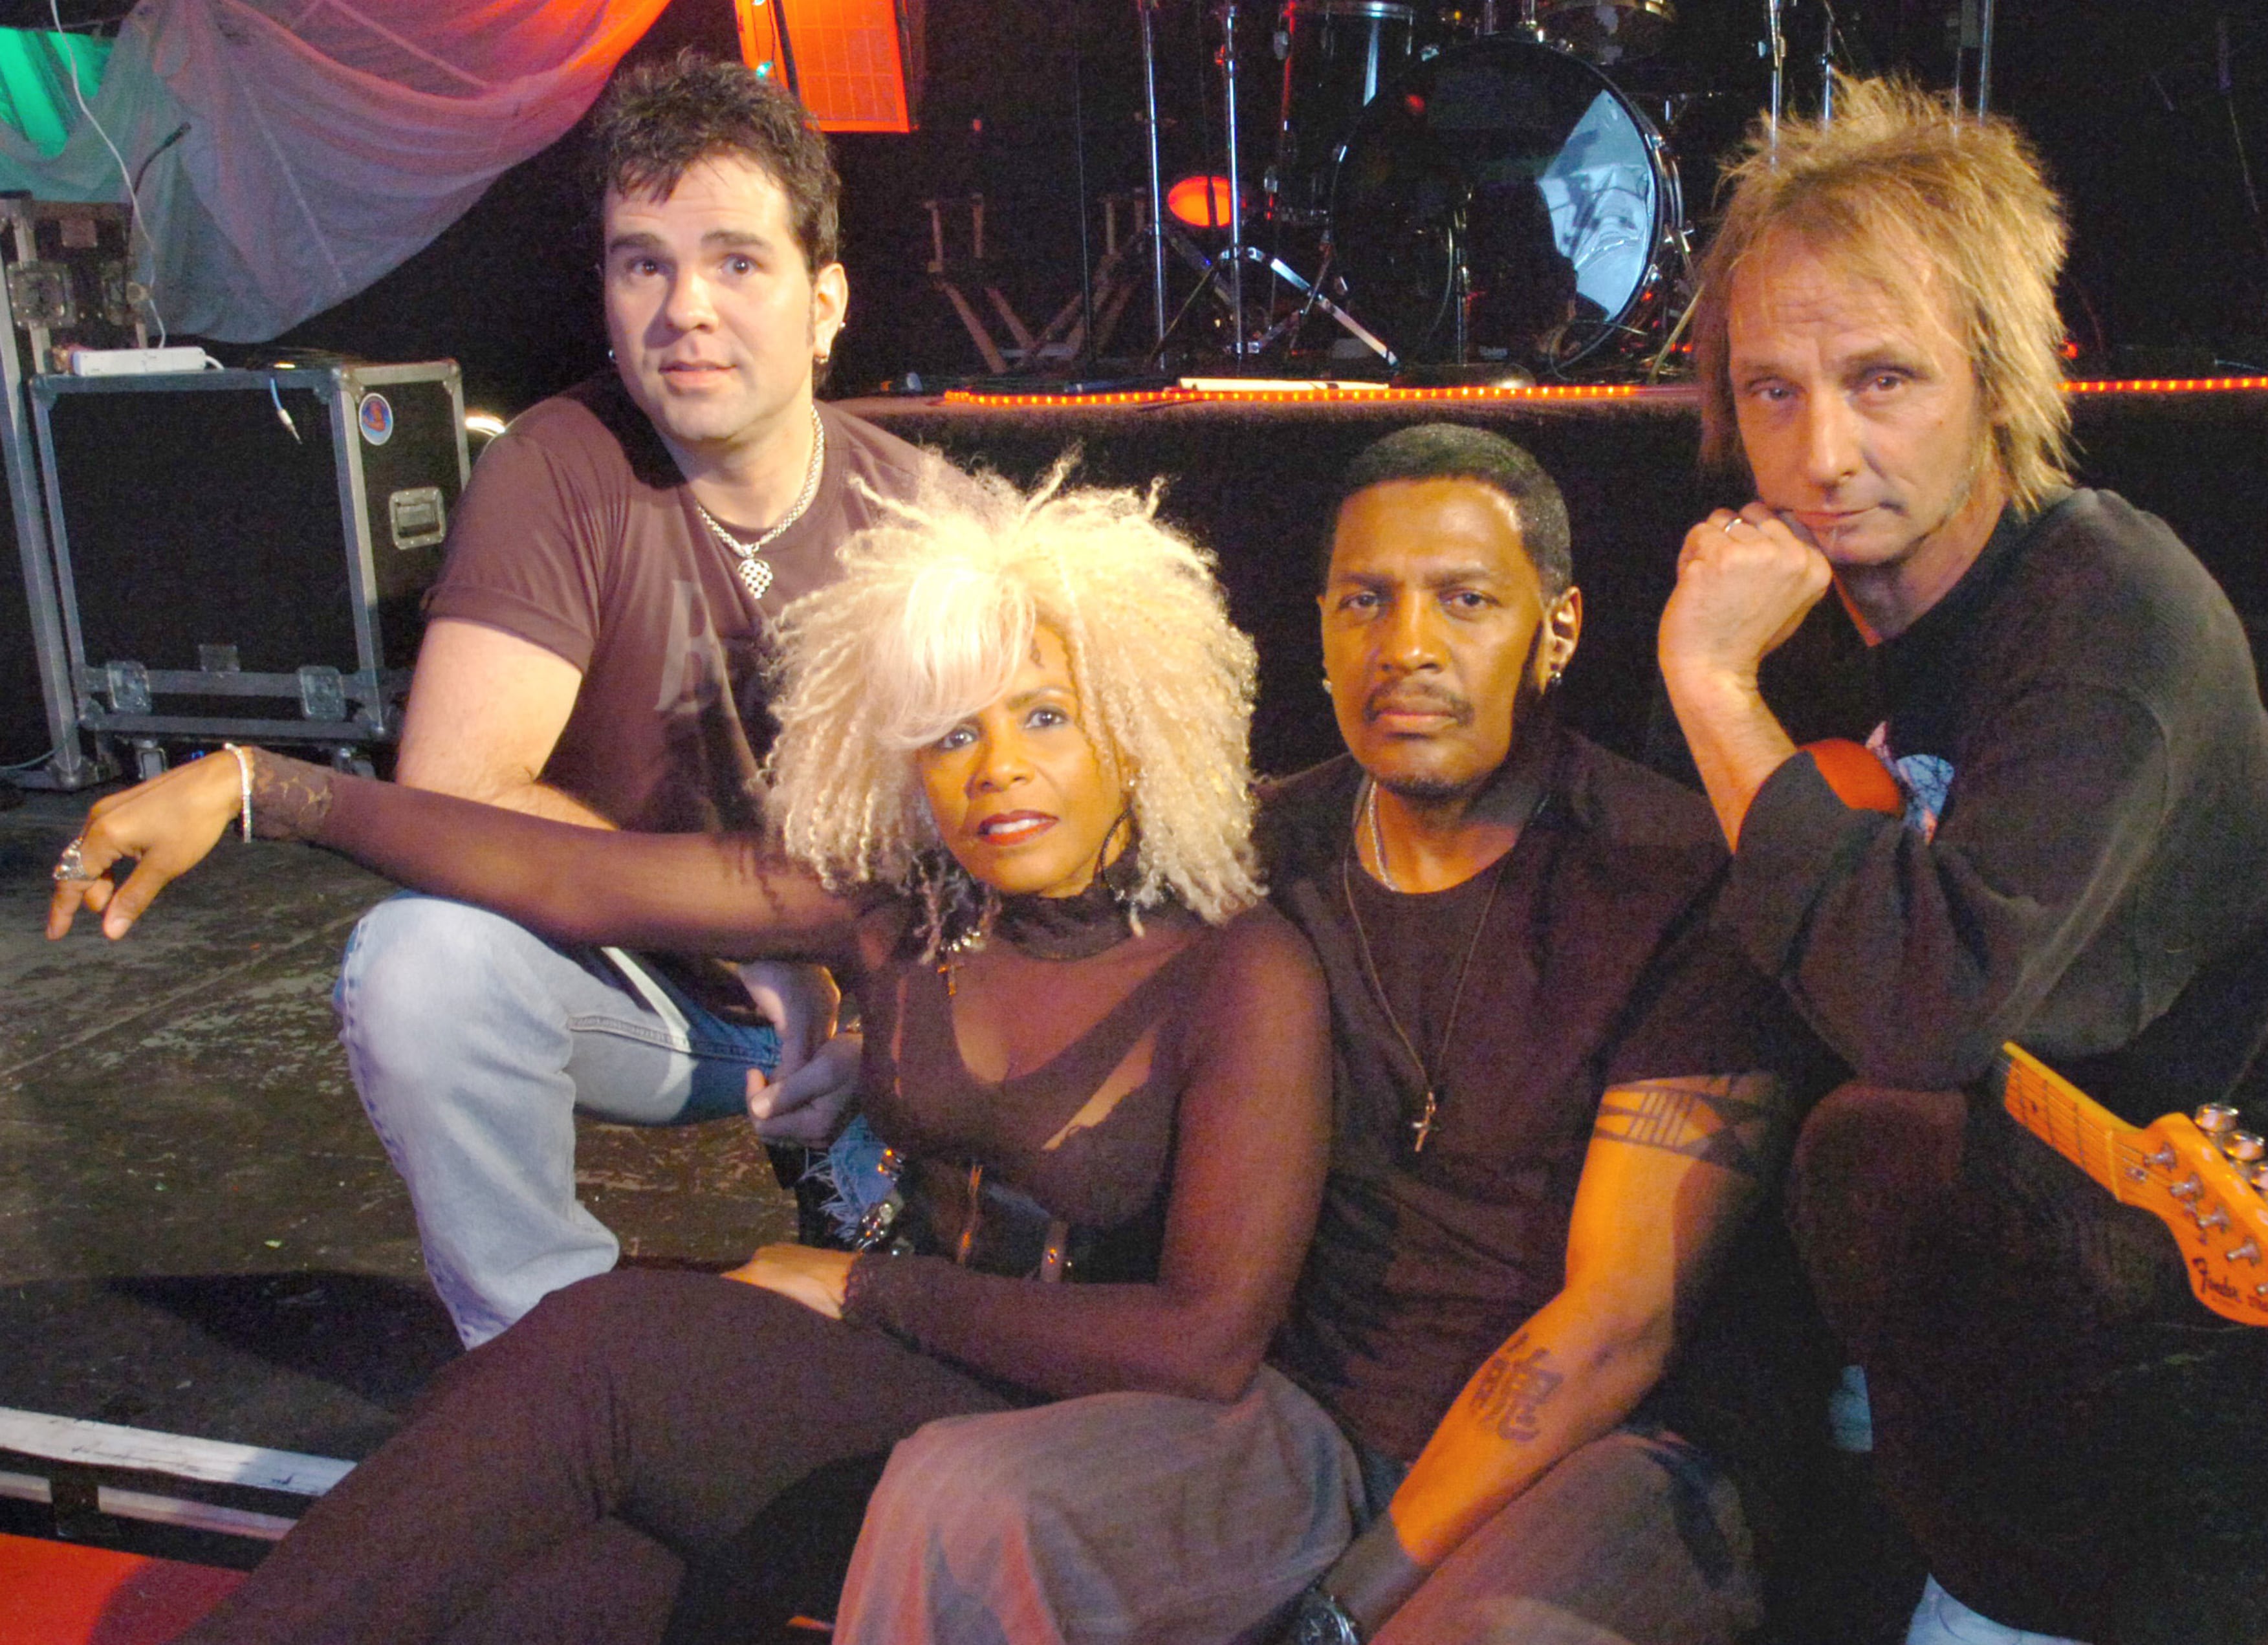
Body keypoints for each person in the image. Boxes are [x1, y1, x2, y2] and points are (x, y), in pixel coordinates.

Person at [49, 468, 1331, 1645]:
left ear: (1138, 725)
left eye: (1045, 717)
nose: (996, 771)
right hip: (900, 1395)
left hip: (1090, 1460)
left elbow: (1201, 1347)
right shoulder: (905, 902)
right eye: (950, 733)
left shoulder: (1235, 969)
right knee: (537, 1587)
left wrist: (862, 1289)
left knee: (598, 1349)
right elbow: (572, 876)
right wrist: (257, 787)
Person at [827, 424, 1833, 1645]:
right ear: (1318, 629)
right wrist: (855, 1002)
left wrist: (1345, 1608)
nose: (1406, 648)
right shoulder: (1254, 853)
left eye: (1465, 601)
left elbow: (1618, 1326)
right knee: (958, 1496)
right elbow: (1032, 905)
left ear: (1555, 630)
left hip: (1608, 1453)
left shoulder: (1674, 879)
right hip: (1300, 1422)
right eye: (1367, 601)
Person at [1654, 78, 2268, 1645]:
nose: (1821, 453)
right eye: (1772, 392)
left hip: (2177, 1310)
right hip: (1913, 1287)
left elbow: (1924, 1011)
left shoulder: (2109, 612)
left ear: (1998, 372)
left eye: (1882, 378)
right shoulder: (1798, 615)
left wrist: (1711, 694)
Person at [347, 54, 945, 1347]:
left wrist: (902, 1033)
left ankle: (891, 1206)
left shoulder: (932, 520)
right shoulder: (557, 466)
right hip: (657, 986)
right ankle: (550, 1353)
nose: (686, 308)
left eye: (737, 261)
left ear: (825, 302)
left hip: (888, 991)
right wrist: (762, 952)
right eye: (643, 264)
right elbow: (454, 790)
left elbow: (1014, 853)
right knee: (419, 965)